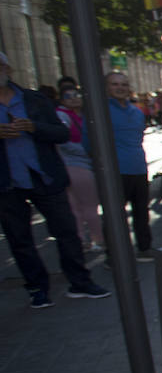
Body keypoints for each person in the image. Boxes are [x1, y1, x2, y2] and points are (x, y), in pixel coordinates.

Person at [0, 52, 109, 306]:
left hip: (45, 177)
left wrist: (33, 127)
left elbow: (61, 133)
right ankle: (37, 288)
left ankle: (80, 282)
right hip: (7, 183)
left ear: (8, 68)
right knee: (19, 238)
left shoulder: (34, 100)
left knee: (67, 231)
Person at [90, 71, 153, 259]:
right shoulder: (100, 111)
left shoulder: (136, 112)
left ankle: (144, 248)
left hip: (138, 168)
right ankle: (115, 255)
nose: (120, 88)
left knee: (141, 211)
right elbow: (89, 142)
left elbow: (138, 137)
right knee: (115, 216)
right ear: (106, 87)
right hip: (114, 171)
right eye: (115, 84)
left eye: (124, 84)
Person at [53, 78, 103, 253]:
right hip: (76, 166)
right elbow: (63, 141)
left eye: (76, 95)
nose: (74, 99)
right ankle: (95, 239)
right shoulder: (61, 116)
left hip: (77, 165)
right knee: (86, 206)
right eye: (68, 96)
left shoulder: (85, 115)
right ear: (62, 99)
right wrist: (88, 152)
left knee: (79, 206)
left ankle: (83, 239)